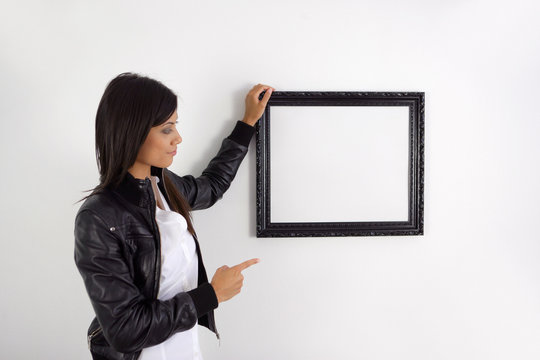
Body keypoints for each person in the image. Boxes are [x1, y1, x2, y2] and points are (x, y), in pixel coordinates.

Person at [74, 72, 274, 360]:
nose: (178, 138)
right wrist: (211, 295)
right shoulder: (98, 217)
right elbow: (124, 329)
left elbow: (213, 185)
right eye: (167, 129)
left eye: (175, 126)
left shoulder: (164, 185)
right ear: (133, 132)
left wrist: (248, 124)